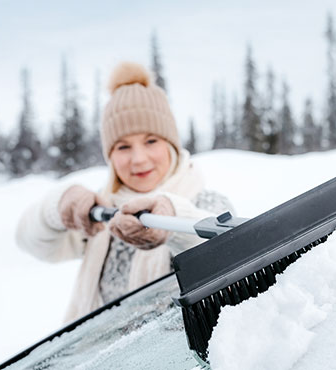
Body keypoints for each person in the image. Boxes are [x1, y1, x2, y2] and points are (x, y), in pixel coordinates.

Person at [16, 62, 233, 323]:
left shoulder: (206, 202)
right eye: (123, 147)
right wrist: (58, 206)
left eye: (151, 141)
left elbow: (225, 256)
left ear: (171, 145)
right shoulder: (100, 212)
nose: (139, 159)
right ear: (110, 156)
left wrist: (173, 220)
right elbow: (31, 242)